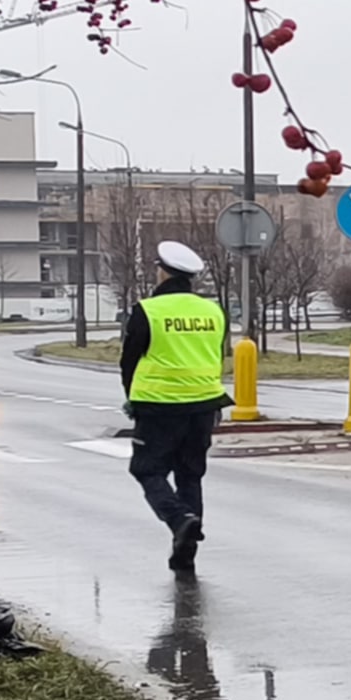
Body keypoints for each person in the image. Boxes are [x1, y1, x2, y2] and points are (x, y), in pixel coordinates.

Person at [120, 240, 229, 573]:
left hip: (159, 407)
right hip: (204, 406)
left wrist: (132, 399)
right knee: (190, 475)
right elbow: (217, 355)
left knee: (147, 470)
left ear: (162, 271)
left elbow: (129, 361)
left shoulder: (148, 311)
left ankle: (179, 519)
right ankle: (185, 552)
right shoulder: (213, 311)